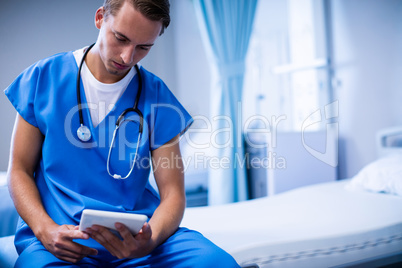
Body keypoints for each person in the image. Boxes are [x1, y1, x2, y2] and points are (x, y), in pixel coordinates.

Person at [4, 0, 240, 267]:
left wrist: (149, 241)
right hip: (63, 238)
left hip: (137, 240)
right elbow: (19, 170)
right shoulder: (44, 79)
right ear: (100, 18)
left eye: (143, 48)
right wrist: (44, 229)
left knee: (216, 262)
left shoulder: (157, 96)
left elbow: (173, 195)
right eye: (121, 38)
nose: (127, 57)